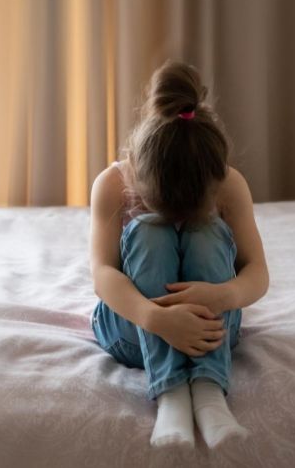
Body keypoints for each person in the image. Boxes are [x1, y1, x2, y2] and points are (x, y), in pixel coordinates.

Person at [88, 60, 269, 450]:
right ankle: (170, 393)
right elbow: (102, 273)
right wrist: (154, 317)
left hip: (211, 329)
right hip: (134, 328)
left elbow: (257, 271)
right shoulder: (114, 184)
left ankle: (207, 392)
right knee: (150, 231)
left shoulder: (227, 183)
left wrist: (224, 295)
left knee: (206, 234)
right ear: (137, 172)